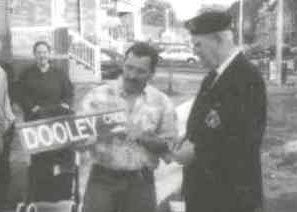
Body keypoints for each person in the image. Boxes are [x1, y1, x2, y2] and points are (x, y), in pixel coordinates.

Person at [181, 9, 267, 212]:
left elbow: (244, 140)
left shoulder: (247, 78)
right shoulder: (212, 77)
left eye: (198, 44)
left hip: (230, 196)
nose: (195, 51)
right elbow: (202, 124)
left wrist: (195, 152)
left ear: (218, 39)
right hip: (205, 192)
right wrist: (186, 138)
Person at [78, 42, 178, 212]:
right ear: (122, 65)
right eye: (129, 67)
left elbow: (169, 148)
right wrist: (83, 139)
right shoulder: (97, 95)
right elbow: (77, 138)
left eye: (140, 71)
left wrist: (142, 136)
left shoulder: (162, 102)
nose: (131, 75)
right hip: (102, 180)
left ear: (151, 74)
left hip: (141, 183)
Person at [18, 41, 74, 202]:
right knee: (39, 159)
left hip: (57, 123)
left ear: (49, 54)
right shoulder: (27, 74)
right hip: (37, 124)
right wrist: (32, 107)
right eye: (38, 52)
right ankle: (39, 195)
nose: (42, 55)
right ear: (34, 54)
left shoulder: (59, 73)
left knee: (59, 157)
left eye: (44, 52)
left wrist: (66, 104)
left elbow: (69, 92)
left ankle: (59, 195)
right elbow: (21, 94)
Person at [0, 66, 15, 209]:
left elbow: (4, 99)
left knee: (3, 164)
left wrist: (8, 121)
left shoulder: (1, 72)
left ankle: (3, 200)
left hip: (2, 124)